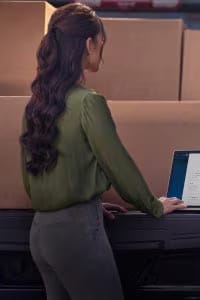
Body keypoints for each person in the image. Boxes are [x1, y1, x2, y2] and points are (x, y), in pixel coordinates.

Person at [19, 4, 187, 299]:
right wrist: (153, 205)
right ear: (88, 44)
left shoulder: (37, 104)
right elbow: (117, 164)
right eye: (101, 44)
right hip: (76, 237)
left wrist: (88, 203)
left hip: (41, 233)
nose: (102, 54)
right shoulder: (88, 102)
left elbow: (32, 178)